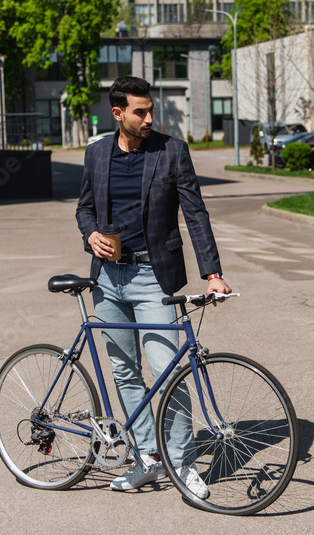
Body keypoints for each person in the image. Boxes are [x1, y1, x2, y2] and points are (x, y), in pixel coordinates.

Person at [75, 75, 231, 497]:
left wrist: (212, 273)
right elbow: (85, 208)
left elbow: (195, 213)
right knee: (125, 372)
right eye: (139, 111)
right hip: (107, 279)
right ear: (118, 113)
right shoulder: (96, 154)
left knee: (168, 373)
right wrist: (90, 234)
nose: (148, 118)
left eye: (150, 110)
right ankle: (149, 458)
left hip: (153, 277)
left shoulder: (171, 151)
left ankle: (183, 465)